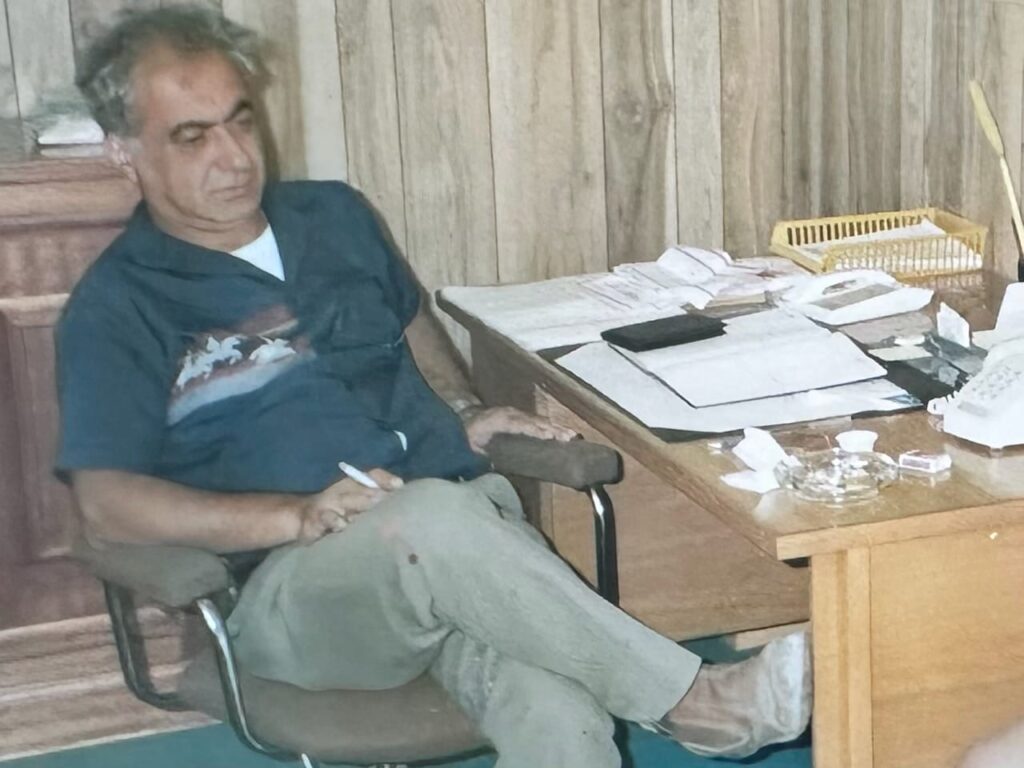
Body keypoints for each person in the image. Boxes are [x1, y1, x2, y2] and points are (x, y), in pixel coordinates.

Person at [58, 6, 811, 767]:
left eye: (240, 120)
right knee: (428, 519)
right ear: (124, 152)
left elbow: (410, 318)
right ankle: (697, 704)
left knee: (558, 712)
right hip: (300, 594)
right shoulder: (117, 306)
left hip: (464, 550)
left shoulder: (333, 215)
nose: (233, 157)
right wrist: (293, 515)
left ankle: (673, 705)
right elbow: (106, 504)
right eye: (192, 137)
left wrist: (463, 408)